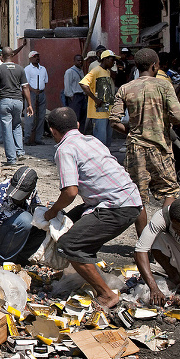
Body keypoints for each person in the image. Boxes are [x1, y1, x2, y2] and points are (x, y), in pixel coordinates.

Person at [43, 107, 143, 309]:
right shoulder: (92, 140)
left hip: (115, 207)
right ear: (78, 125)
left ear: (53, 131)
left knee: (68, 245)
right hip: (130, 200)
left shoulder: (65, 149)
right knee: (70, 220)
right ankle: (84, 267)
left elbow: (70, 192)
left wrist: (52, 211)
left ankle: (106, 294)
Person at [108, 48, 180, 206]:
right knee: (170, 191)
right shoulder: (165, 86)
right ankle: (163, 228)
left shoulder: (125, 88)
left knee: (137, 197)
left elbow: (114, 121)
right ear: (154, 66)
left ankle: (143, 232)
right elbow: (177, 117)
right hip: (160, 149)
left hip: (135, 150)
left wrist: (131, 131)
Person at [0, 48, 34, 166]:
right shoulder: (20, 69)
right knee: (17, 126)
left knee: (7, 130)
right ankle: (20, 152)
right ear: (12, 55)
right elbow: (25, 88)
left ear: (2, 56)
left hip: (5, 102)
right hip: (18, 102)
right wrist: (29, 104)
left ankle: (11, 159)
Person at [80, 49, 117, 147]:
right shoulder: (96, 70)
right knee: (100, 141)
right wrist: (95, 99)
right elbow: (83, 84)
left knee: (107, 140)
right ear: (105, 59)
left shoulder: (107, 72)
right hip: (99, 112)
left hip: (107, 110)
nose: (113, 62)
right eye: (112, 60)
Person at [24, 50, 48, 145]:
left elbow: (45, 81)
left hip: (41, 93)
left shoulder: (43, 69)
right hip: (32, 94)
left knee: (41, 116)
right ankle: (28, 138)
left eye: (38, 56)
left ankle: (38, 138)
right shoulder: (27, 69)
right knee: (30, 116)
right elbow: (26, 84)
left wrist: (40, 90)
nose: (37, 58)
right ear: (30, 58)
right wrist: (34, 90)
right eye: (34, 56)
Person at [64, 54, 87, 132]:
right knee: (75, 118)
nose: (80, 62)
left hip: (82, 96)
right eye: (78, 60)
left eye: (81, 60)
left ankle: (81, 133)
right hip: (75, 97)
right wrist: (70, 96)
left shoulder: (81, 71)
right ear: (74, 61)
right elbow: (67, 85)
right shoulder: (69, 72)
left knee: (82, 117)